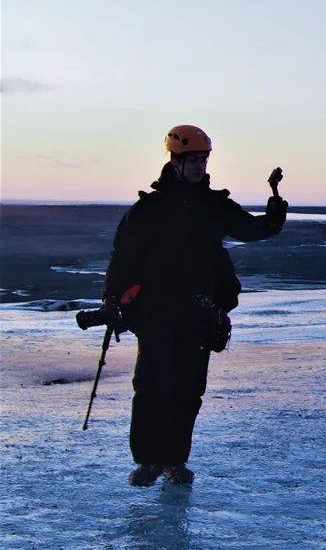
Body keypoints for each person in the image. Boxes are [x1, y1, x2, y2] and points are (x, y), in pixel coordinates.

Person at [101, 125, 287, 487]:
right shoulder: (148, 209)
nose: (201, 166)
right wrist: (111, 298)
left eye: (204, 160)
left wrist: (275, 212)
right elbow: (121, 257)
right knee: (152, 386)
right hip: (155, 311)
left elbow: (250, 229)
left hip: (199, 313)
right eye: (194, 160)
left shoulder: (214, 205)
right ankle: (148, 461)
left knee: (188, 389)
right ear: (175, 160)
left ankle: (174, 460)